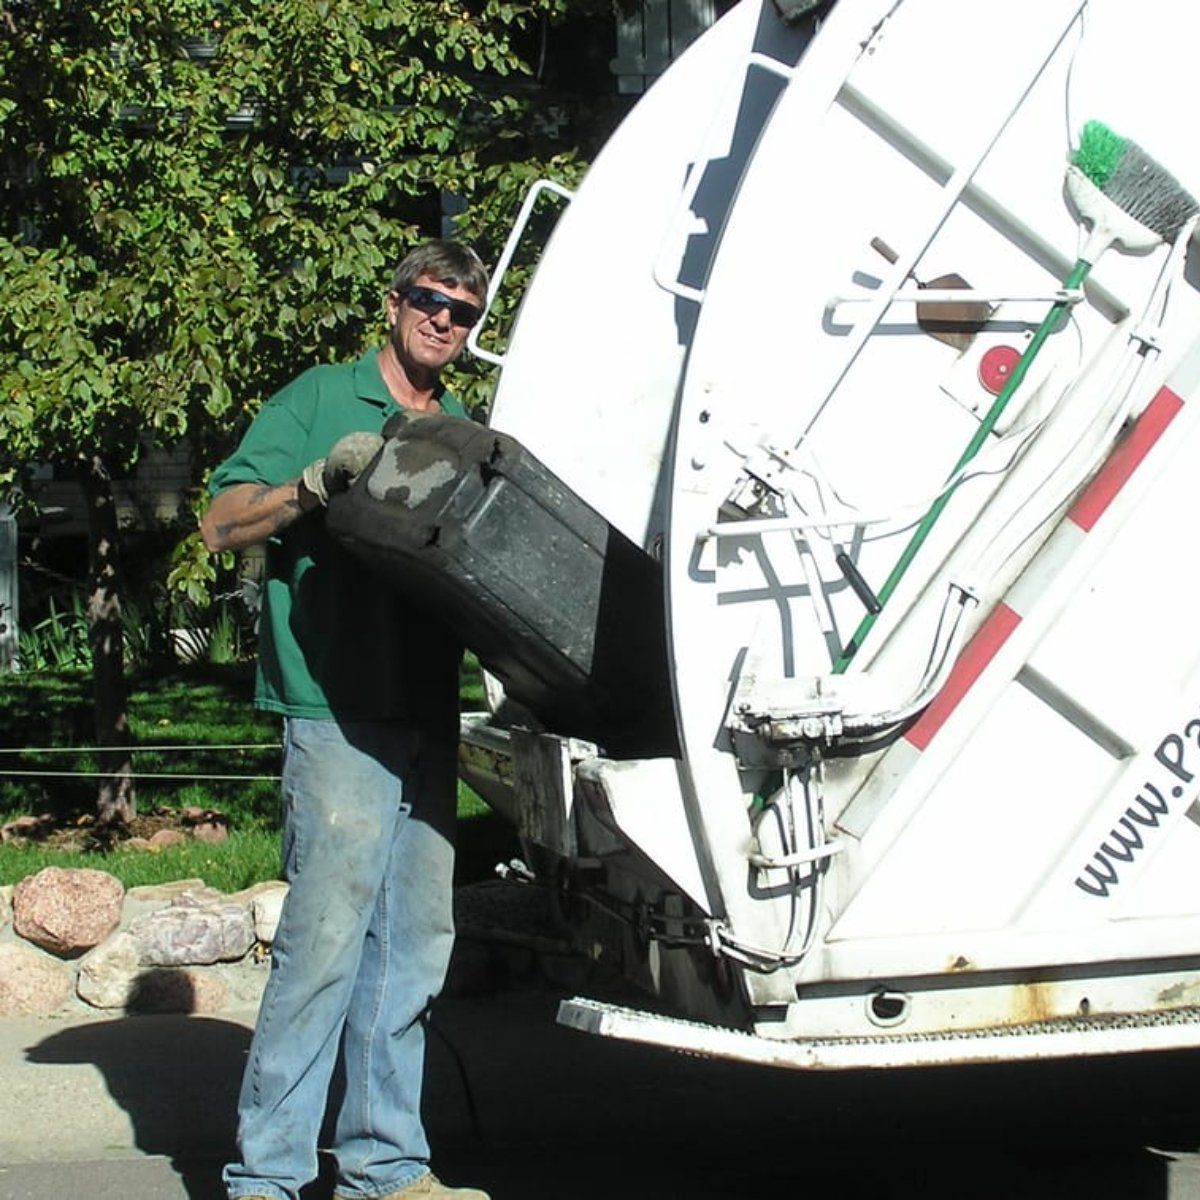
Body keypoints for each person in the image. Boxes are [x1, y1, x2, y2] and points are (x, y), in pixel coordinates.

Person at [200, 240, 491, 1200]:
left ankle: (387, 1167)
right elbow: (220, 521)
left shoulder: (462, 433)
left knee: (412, 951)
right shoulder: (320, 400)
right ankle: (268, 1178)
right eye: (429, 300)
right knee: (324, 945)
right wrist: (311, 487)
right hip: (333, 709)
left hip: (423, 713)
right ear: (394, 302)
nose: (443, 320)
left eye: (463, 311)